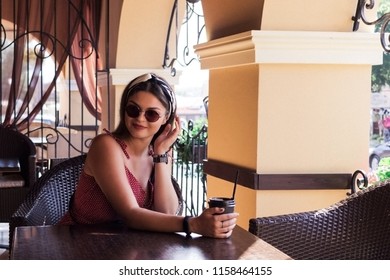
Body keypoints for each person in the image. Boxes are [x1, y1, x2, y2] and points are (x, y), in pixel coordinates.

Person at [59, 73, 238, 238]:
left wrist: (160, 155)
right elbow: (130, 214)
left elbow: (166, 212)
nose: (140, 118)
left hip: (129, 247)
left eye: (151, 114)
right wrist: (194, 224)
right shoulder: (106, 146)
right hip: (81, 244)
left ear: (166, 118)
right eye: (133, 110)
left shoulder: (159, 152)